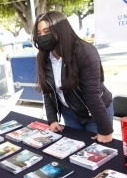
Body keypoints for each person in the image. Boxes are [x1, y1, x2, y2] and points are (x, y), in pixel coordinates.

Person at [32, 11, 114, 143]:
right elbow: (48, 91)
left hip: (94, 114)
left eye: (47, 31)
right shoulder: (43, 57)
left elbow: (91, 93)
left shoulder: (85, 52)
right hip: (70, 113)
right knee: (76, 150)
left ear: (61, 30)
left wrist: (105, 130)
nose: (42, 36)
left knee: (96, 152)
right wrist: (52, 119)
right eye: (39, 33)